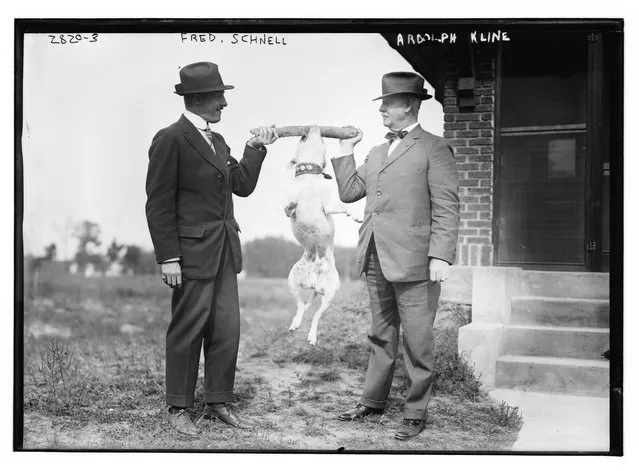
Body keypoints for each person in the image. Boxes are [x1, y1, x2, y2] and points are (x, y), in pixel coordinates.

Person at [145, 61, 278, 436]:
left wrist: (254, 148)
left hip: (224, 252)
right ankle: (179, 407)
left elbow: (242, 185)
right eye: (220, 96)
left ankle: (218, 399)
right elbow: (157, 203)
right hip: (189, 255)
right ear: (201, 98)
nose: (224, 103)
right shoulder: (170, 138)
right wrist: (169, 256)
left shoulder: (219, 141)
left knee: (226, 328)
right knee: (188, 329)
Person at [331, 71, 459, 440]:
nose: (383, 110)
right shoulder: (375, 151)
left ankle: (415, 411)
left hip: (417, 260)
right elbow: (349, 192)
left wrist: (441, 257)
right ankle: (372, 401)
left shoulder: (435, 147)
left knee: (418, 339)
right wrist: (346, 149)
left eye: (388, 103)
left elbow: (447, 207)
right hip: (375, 256)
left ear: (410, 105)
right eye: (383, 104)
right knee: (380, 334)